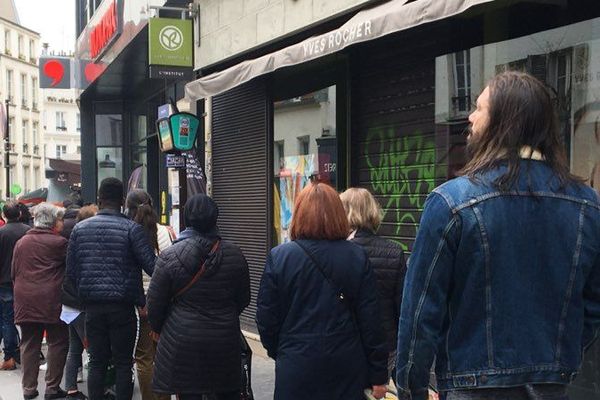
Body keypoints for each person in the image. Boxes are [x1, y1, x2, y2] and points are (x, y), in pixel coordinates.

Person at [395, 71, 600, 400]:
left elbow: (420, 313)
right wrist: (556, 358)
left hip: (472, 386)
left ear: (505, 121)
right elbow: (592, 308)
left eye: (479, 108)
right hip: (551, 385)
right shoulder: (588, 206)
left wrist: (411, 387)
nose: (470, 117)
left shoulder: (451, 203)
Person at [256, 181, 388, 400]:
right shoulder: (356, 256)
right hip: (345, 366)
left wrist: (282, 350)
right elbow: (371, 320)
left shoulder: (280, 257)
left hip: (296, 365)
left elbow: (267, 318)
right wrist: (378, 374)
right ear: (338, 214)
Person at [147, 194, 250, 400]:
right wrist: (224, 313)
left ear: (187, 218)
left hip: (182, 340)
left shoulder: (169, 256)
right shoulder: (235, 254)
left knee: (188, 393)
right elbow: (243, 298)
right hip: (224, 340)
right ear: (216, 217)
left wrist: (161, 328)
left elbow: (155, 304)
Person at [66, 178, 156, 400]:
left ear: (99, 198)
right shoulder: (132, 229)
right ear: (122, 200)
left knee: (97, 361)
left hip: (92, 307)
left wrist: (85, 292)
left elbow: (71, 271)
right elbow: (152, 267)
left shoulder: (79, 229)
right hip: (123, 307)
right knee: (124, 362)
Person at [340, 187, 407, 380]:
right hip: (387, 347)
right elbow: (403, 307)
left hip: (348, 344)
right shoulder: (394, 251)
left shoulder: (338, 253)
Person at [12, 203, 69, 400]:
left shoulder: (22, 243)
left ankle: (28, 389)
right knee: (57, 341)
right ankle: (52, 387)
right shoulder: (60, 243)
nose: (62, 223)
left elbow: (14, 272)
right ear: (53, 223)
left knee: (29, 343)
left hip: (25, 298)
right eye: (60, 219)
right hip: (50, 298)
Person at [125, 189, 171, 400]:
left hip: (141, 305)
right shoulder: (166, 232)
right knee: (164, 355)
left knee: (144, 358)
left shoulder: (129, 232)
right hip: (164, 301)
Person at [61, 204, 98, 400]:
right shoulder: (87, 244)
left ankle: (71, 389)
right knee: (93, 351)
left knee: (74, 349)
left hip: (70, 306)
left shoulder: (73, 242)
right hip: (81, 306)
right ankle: (95, 392)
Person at [0, 201, 31, 370]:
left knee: (7, 319)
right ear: (19, 214)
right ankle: (23, 350)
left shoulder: (1, 233)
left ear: (5, 215)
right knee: (25, 319)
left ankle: (10, 356)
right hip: (24, 280)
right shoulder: (28, 231)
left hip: (4, 281)